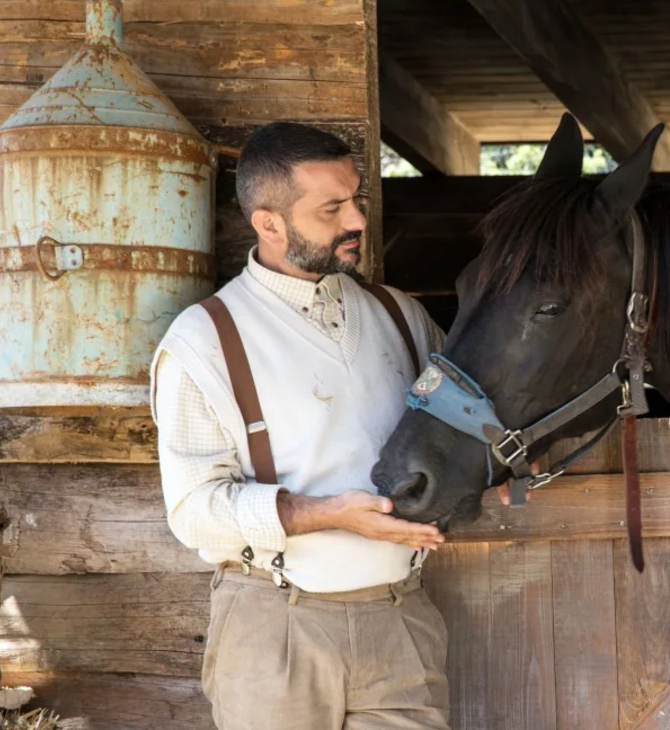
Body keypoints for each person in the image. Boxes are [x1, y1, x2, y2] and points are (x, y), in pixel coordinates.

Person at [150, 122, 451, 729]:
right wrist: (329, 514)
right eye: (333, 207)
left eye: (357, 198)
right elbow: (195, 510)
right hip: (275, 627)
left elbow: (464, 424)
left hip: (401, 621)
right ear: (270, 223)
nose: (358, 220)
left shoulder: (402, 315)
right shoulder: (204, 340)